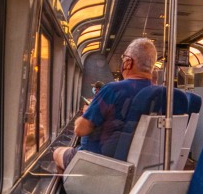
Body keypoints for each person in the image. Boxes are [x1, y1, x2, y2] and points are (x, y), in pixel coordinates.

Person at [53, 38, 156, 171]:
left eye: (124, 58)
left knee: (58, 152)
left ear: (128, 62)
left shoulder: (113, 90)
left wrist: (89, 110)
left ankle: (80, 190)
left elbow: (80, 130)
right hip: (136, 166)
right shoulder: (158, 95)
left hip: (98, 163)